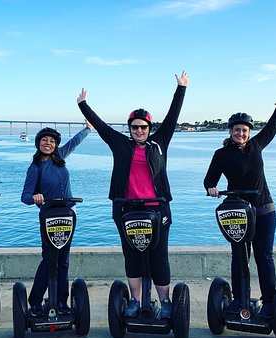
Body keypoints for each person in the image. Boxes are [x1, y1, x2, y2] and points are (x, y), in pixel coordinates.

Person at [76, 71, 189, 318]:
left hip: (158, 208)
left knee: (159, 255)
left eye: (143, 127)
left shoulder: (160, 142)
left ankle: (166, 301)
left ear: (149, 128)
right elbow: (102, 126)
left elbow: (172, 117)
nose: (139, 131)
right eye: (135, 127)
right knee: (132, 254)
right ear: (129, 129)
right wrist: (83, 105)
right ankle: (135, 301)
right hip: (126, 208)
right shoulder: (120, 144)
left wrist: (181, 88)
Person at [203, 103, 276, 318]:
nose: (241, 133)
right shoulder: (221, 154)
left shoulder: (257, 145)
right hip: (238, 212)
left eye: (245, 130)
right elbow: (209, 180)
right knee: (239, 256)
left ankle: (269, 302)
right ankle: (239, 298)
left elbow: (271, 129)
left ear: (249, 132)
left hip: (264, 210)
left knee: (264, 257)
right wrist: (211, 189)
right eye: (237, 130)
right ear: (230, 132)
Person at [20, 123, 92, 316]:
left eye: (52, 141)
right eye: (44, 140)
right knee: (49, 260)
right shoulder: (35, 168)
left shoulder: (60, 157)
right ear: (38, 143)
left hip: (68, 214)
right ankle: (35, 301)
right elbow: (25, 196)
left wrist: (87, 129)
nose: (48, 143)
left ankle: (62, 301)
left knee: (64, 261)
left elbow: (74, 142)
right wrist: (35, 198)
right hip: (49, 215)